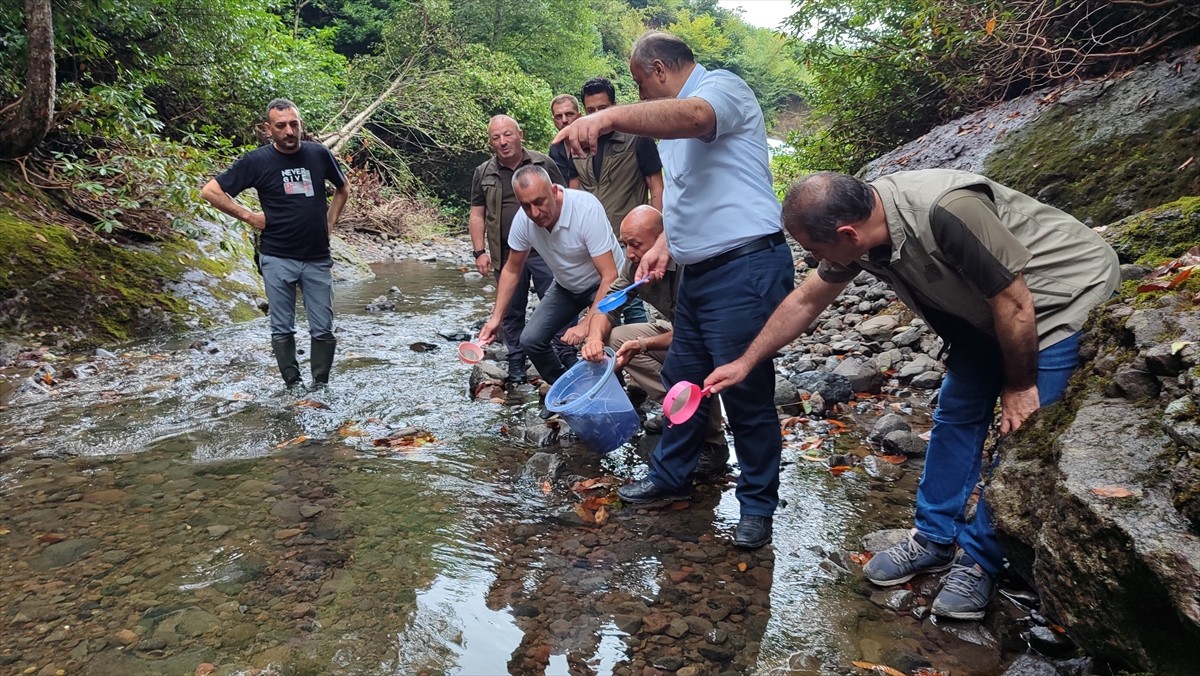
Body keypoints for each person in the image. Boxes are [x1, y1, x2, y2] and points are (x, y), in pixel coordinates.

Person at [705, 169, 1120, 619]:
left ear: (846, 233)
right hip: (983, 309)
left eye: (814, 249)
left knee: (1024, 434)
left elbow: (1015, 301)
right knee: (955, 417)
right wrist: (746, 362)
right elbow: (808, 299)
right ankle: (934, 537)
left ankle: (981, 559)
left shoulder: (948, 210)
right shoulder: (861, 236)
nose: (812, 258)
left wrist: (1019, 387)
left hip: (1057, 298)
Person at [553, 31, 794, 549]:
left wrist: (609, 117)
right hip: (702, 272)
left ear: (659, 70)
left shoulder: (723, 89)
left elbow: (696, 118)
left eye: (640, 86)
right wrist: (667, 240)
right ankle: (671, 475)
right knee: (684, 382)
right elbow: (689, 193)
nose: (641, 99)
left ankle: (756, 506)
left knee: (744, 391)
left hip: (745, 264)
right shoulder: (672, 129)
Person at [201, 98, 349, 389]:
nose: (289, 131)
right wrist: (249, 216)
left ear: (301, 124)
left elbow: (342, 188)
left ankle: (320, 387)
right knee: (282, 327)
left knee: (323, 329)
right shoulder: (257, 161)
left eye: (294, 124)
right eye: (281, 126)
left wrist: (329, 223)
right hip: (277, 257)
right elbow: (211, 191)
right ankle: (293, 386)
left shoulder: (319, 154)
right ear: (268, 129)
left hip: (317, 257)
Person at [580, 206, 728, 475]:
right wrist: (593, 339)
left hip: (710, 342)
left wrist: (643, 345)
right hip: (676, 331)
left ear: (663, 239)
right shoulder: (636, 263)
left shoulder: (689, 264)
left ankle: (713, 443)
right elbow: (608, 305)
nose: (629, 253)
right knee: (613, 337)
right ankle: (677, 410)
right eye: (625, 244)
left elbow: (694, 333)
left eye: (635, 244)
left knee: (691, 362)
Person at [478, 166, 623, 386]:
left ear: (554, 191)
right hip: (567, 285)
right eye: (526, 206)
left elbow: (610, 275)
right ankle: (567, 389)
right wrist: (496, 318)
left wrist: (587, 323)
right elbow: (512, 269)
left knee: (601, 339)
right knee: (531, 340)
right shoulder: (523, 221)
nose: (535, 213)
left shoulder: (585, 209)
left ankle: (616, 391)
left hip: (604, 284)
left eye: (539, 202)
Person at [469, 115, 569, 384]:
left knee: (556, 302)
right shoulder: (484, 172)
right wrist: (479, 251)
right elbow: (477, 214)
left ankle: (562, 353)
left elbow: (563, 198)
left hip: (544, 251)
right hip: (505, 254)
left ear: (520, 134)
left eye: (508, 135)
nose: (503, 142)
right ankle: (516, 361)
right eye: (496, 138)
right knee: (512, 309)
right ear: (490, 142)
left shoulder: (543, 163)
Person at [570, 76, 664, 326]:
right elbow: (576, 194)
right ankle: (603, 356)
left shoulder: (637, 138)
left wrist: (658, 236)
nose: (596, 115)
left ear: (614, 106)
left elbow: (657, 186)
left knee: (630, 301)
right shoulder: (578, 145)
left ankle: (639, 354)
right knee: (602, 301)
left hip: (628, 240)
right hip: (595, 241)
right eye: (591, 111)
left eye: (603, 109)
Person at [548, 94, 580, 185]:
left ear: (579, 116)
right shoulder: (555, 149)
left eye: (569, 114)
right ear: (554, 121)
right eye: (559, 116)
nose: (564, 120)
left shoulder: (591, 144)